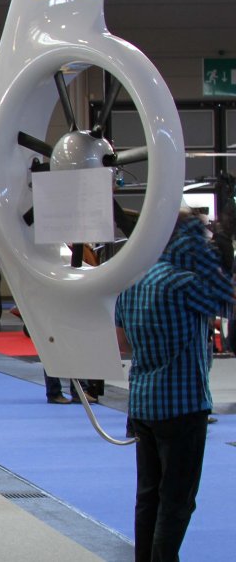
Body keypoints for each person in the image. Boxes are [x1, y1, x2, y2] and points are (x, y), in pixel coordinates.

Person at [115, 211, 234, 562]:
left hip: (142, 402)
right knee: (177, 500)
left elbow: (123, 343)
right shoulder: (187, 284)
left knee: (148, 495)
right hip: (183, 405)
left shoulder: (133, 281)